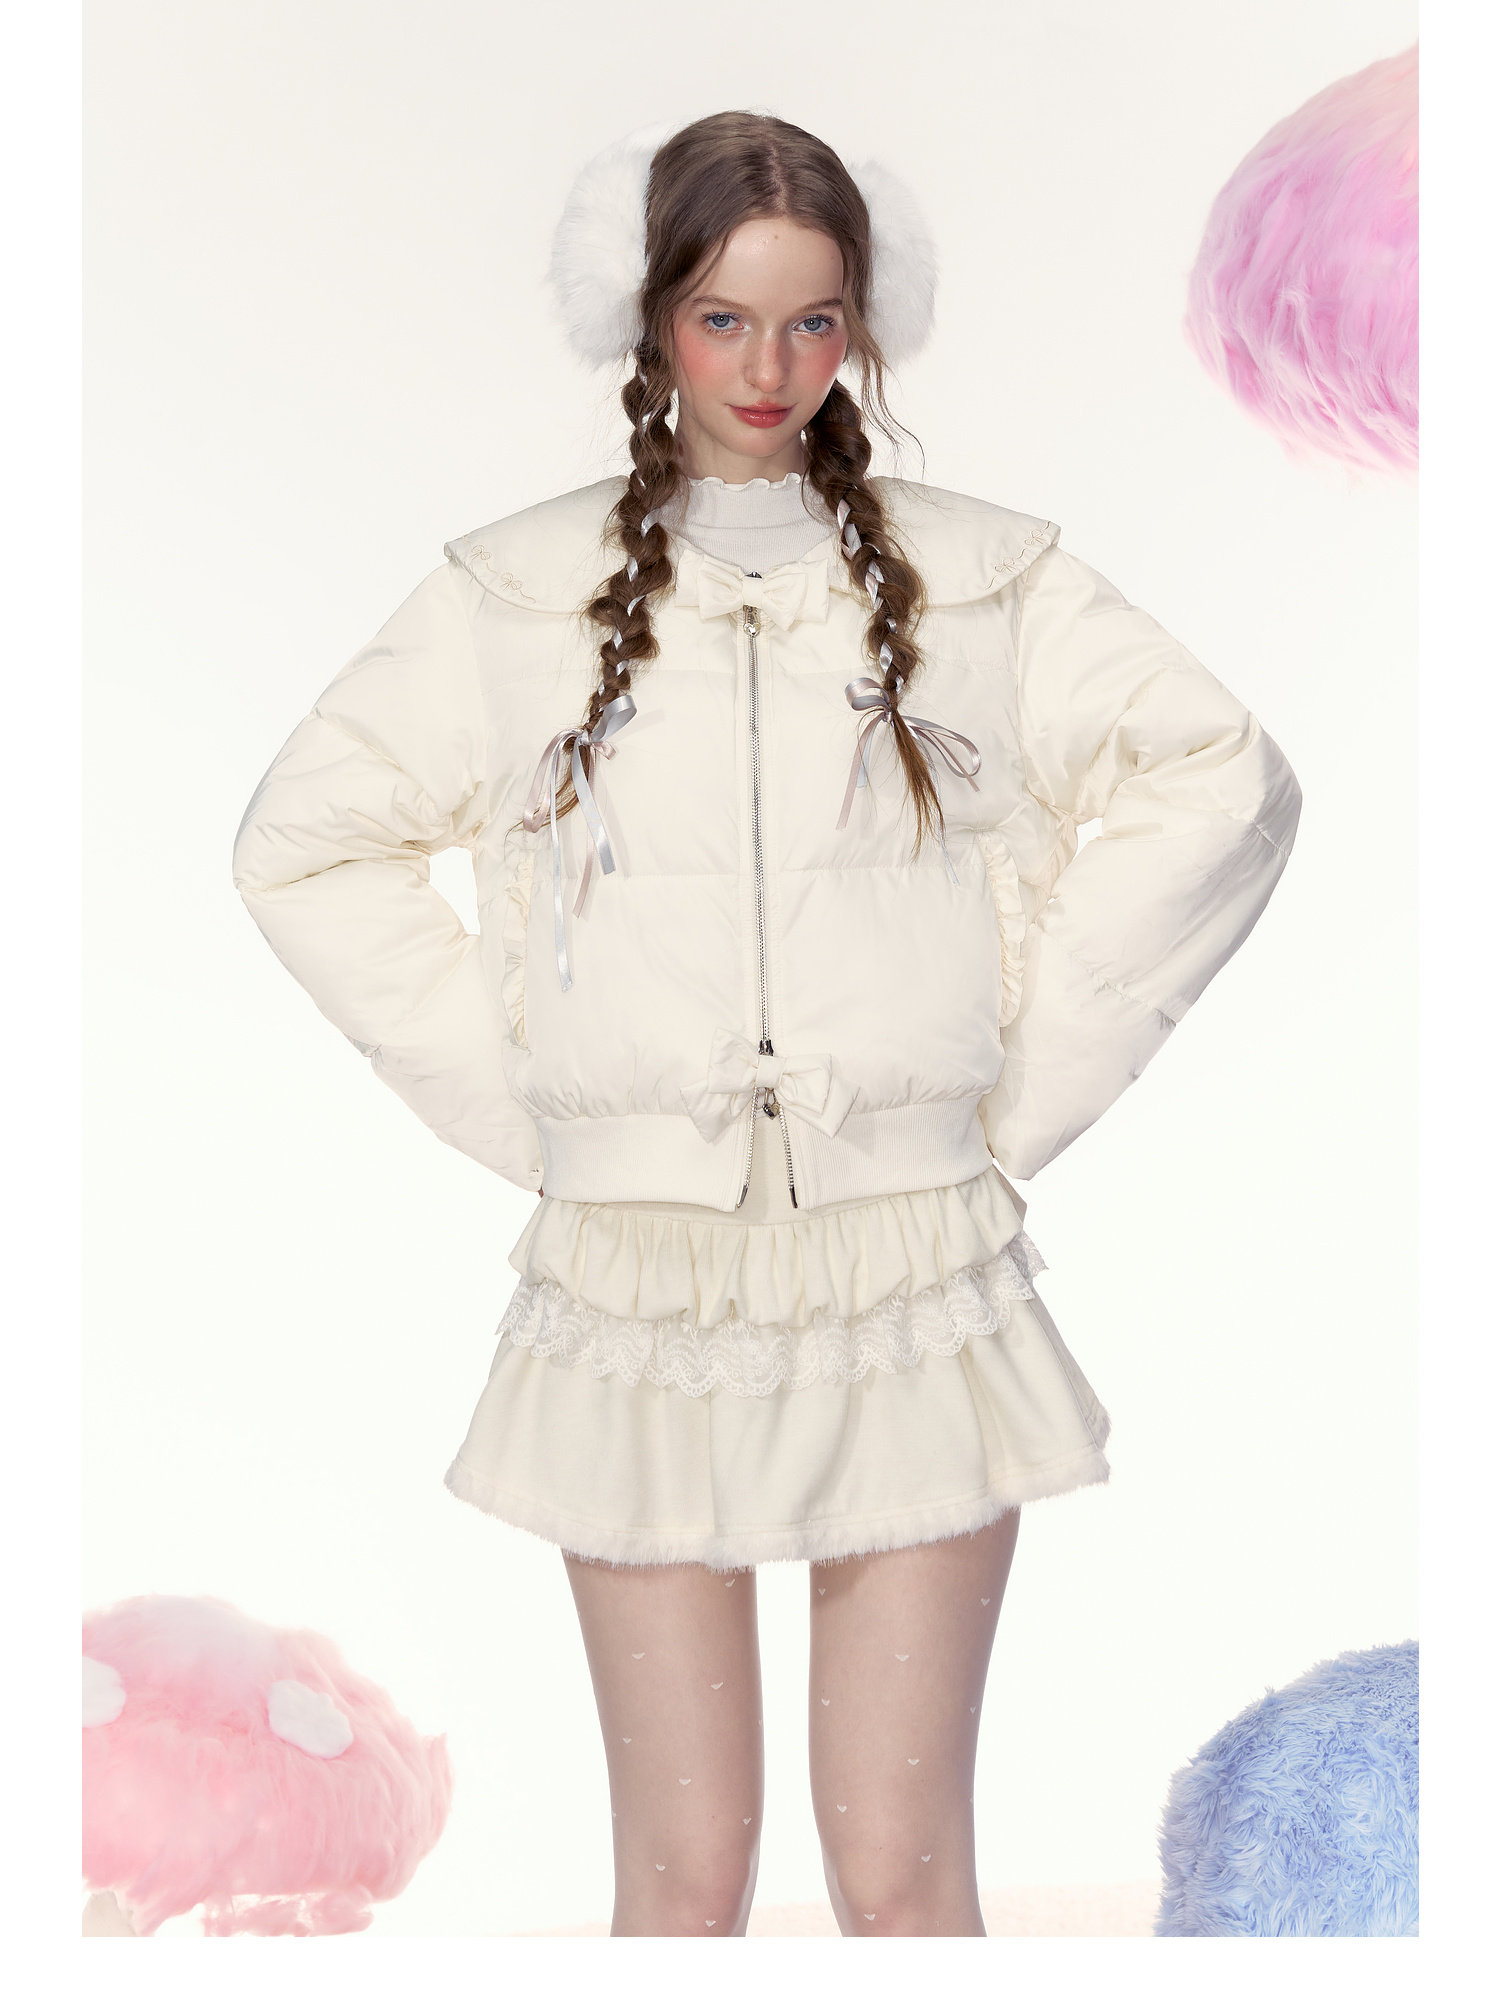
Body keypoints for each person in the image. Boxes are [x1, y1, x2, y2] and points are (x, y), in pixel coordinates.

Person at [231, 110, 1302, 1938]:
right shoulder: (512, 595)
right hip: (638, 1279)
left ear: (863, 324)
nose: (769, 367)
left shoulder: (986, 580)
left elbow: (1225, 776)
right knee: (679, 1884)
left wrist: (1010, 1095)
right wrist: (547, 1110)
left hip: (910, 1261)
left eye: (813, 322)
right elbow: (301, 846)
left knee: (906, 1879)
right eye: (724, 318)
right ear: (648, 316)